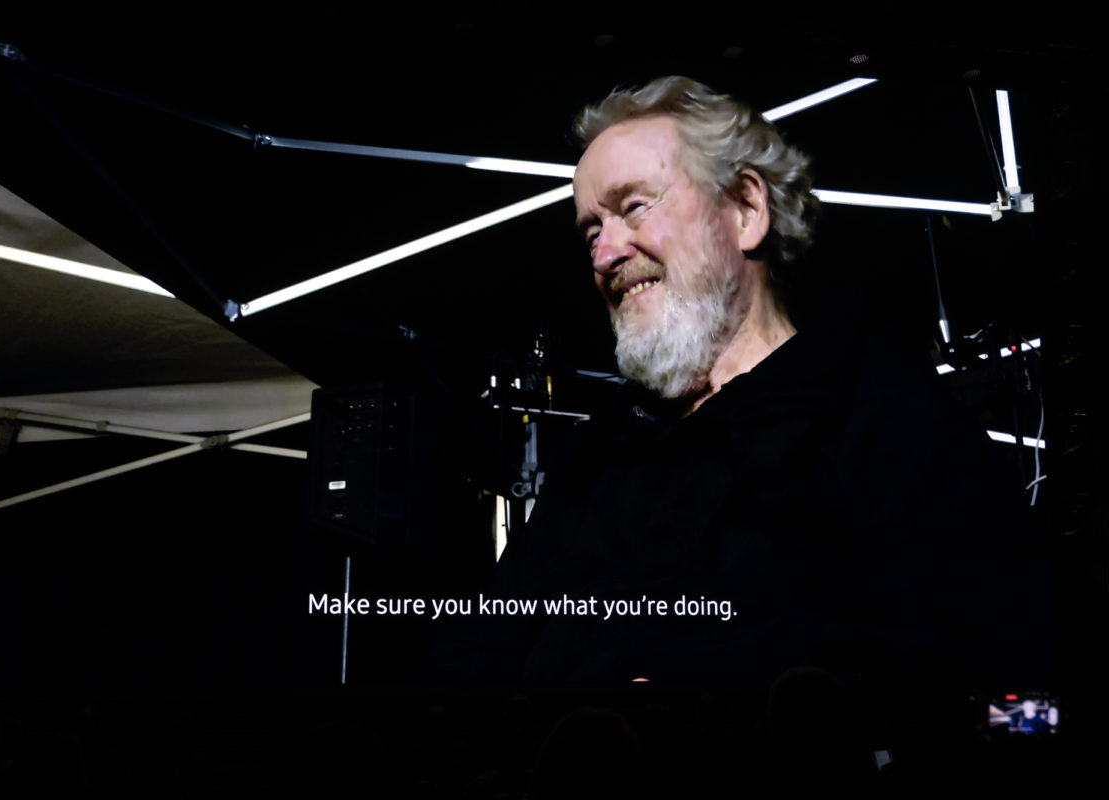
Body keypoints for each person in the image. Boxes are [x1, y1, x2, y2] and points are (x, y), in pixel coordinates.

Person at [431, 76, 1045, 688]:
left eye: (634, 207)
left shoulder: (888, 420)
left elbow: (1021, 703)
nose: (604, 254)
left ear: (746, 210)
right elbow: (475, 651)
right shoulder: (594, 460)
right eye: (592, 231)